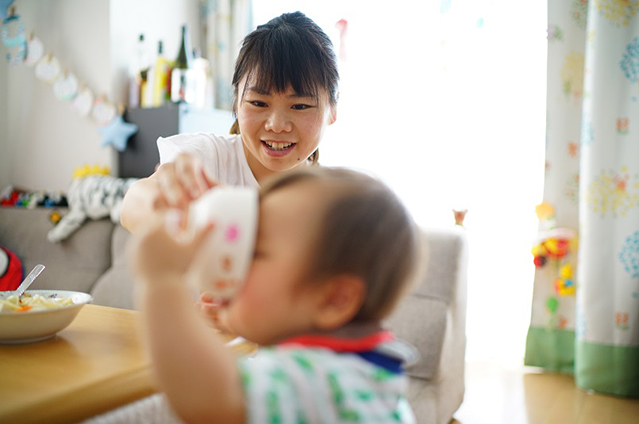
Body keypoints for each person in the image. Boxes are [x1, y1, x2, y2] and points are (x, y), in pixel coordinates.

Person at [129, 167, 423, 424]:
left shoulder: (323, 382)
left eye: (254, 252)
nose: (235, 262)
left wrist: (161, 282)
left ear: (335, 300)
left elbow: (205, 397)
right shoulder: (362, 372)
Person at [120, 11, 340, 234]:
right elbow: (132, 204)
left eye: (300, 106)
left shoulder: (334, 201)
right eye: (259, 103)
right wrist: (164, 204)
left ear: (332, 109)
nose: (276, 125)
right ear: (236, 103)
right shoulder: (209, 159)